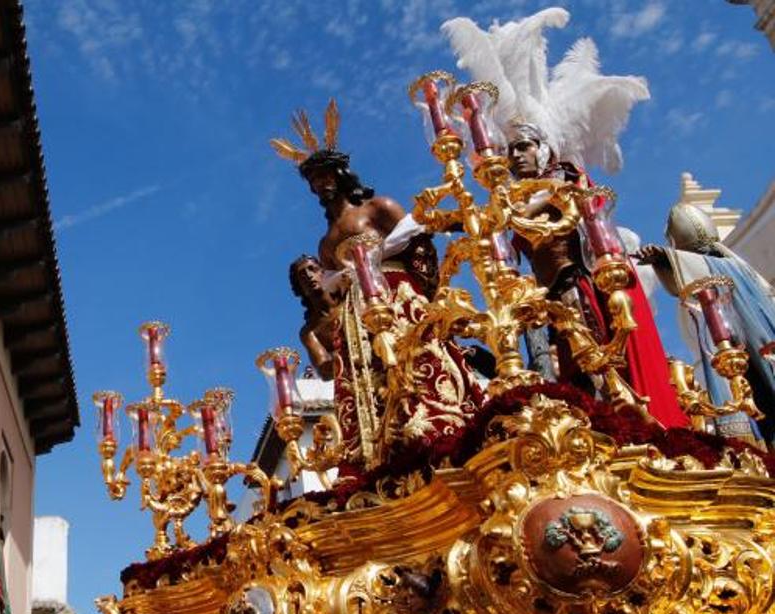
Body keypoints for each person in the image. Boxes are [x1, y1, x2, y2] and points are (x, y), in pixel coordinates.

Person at [444, 8, 688, 429]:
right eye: (510, 149)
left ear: (542, 150)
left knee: (602, 374)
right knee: (563, 381)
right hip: (541, 299)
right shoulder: (513, 197)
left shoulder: (564, 180)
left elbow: (558, 208)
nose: (514, 155)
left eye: (523, 147)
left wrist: (502, 212)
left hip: (580, 286)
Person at [275, 102, 484, 482]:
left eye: (325, 176)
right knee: (371, 383)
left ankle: (439, 430)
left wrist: (419, 287)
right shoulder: (324, 244)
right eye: (313, 182)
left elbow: (417, 242)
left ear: (340, 175)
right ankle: (378, 451)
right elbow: (335, 288)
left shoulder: (377, 208)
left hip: (396, 295)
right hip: (358, 314)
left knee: (417, 365)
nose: (320, 186)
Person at [637, 202, 775, 442]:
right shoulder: (728, 265)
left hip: (754, 341)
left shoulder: (729, 265)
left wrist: (664, 257)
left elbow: (702, 267)